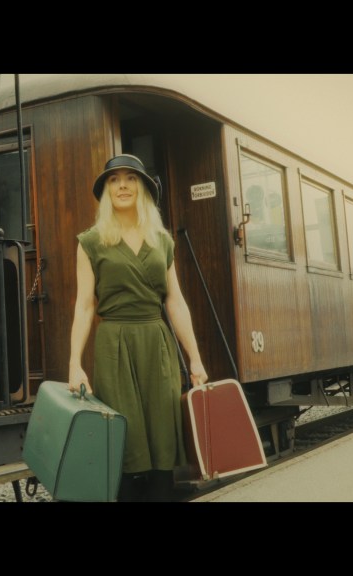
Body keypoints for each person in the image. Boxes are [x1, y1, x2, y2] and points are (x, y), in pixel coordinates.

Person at [68, 153, 208, 502]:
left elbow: (175, 302)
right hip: (114, 344)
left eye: (131, 178)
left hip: (156, 343)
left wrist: (195, 359)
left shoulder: (162, 240)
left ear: (143, 188)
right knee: (124, 441)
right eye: (114, 180)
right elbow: (84, 305)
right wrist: (74, 363)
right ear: (106, 191)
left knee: (163, 441)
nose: (122, 185)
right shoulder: (91, 241)